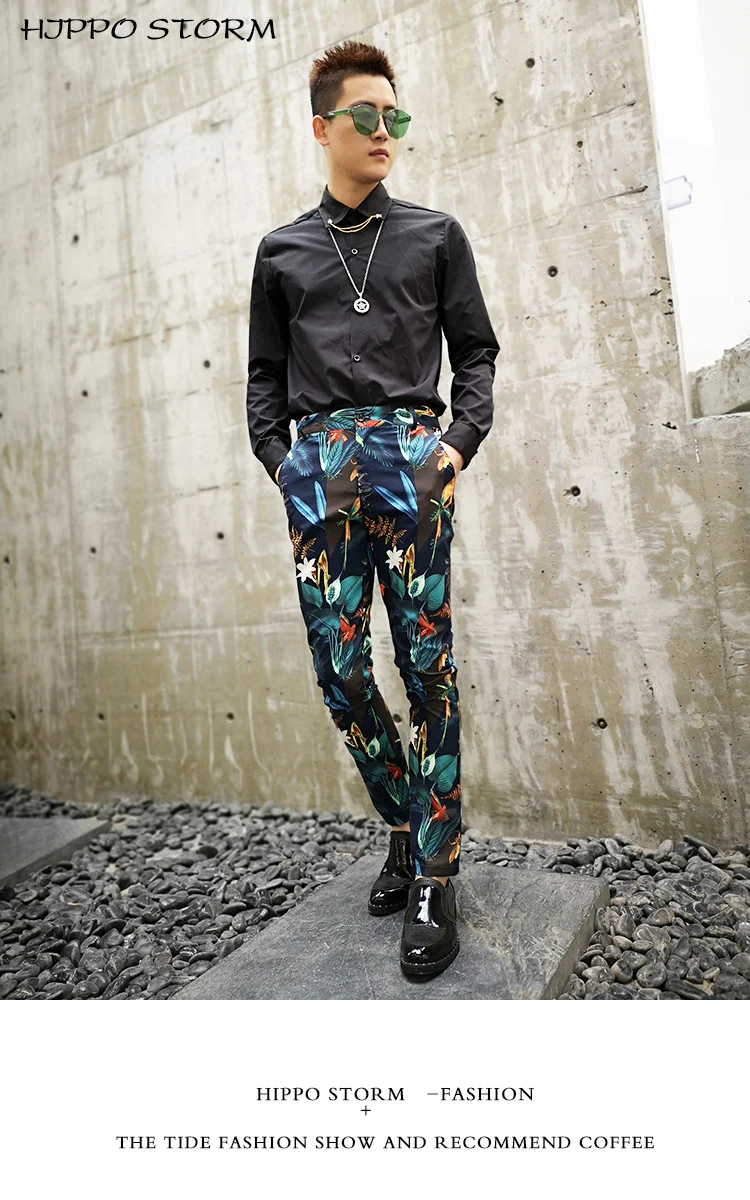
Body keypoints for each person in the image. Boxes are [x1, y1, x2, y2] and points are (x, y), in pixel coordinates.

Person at [246, 40, 499, 979]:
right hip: (321, 467)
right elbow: (263, 380)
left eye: (396, 115)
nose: (385, 129)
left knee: (427, 665)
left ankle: (435, 872)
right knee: (343, 671)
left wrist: (456, 444)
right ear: (324, 128)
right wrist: (284, 464)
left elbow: (476, 353)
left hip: (410, 456)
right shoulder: (282, 252)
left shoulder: (436, 236)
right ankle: (403, 818)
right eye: (367, 115)